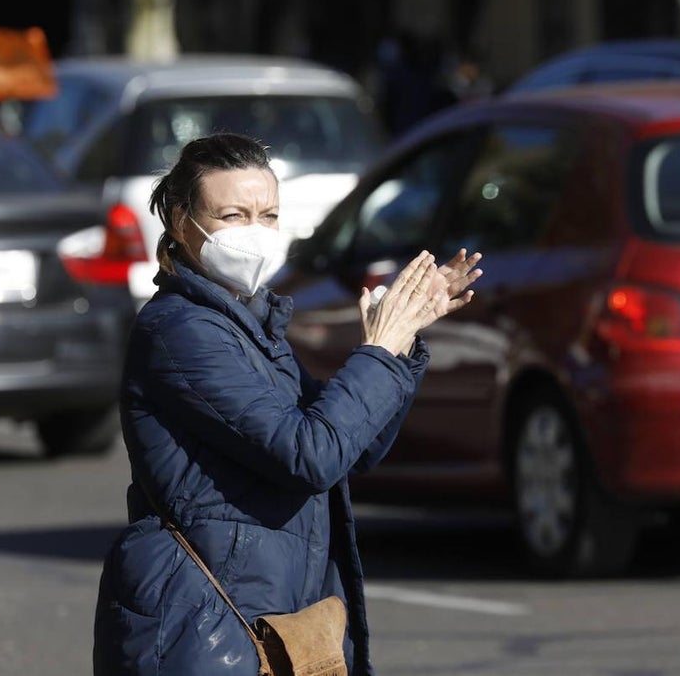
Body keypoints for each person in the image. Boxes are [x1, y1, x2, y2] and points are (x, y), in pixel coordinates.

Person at [92, 132, 482, 676]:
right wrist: (379, 351)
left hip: (269, 619)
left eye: (268, 215)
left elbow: (350, 446)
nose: (256, 231)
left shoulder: (248, 325)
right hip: (204, 632)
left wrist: (403, 340)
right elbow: (310, 454)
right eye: (233, 215)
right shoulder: (181, 331)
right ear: (182, 222)